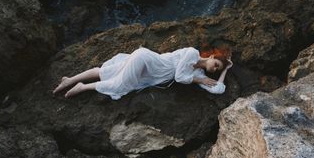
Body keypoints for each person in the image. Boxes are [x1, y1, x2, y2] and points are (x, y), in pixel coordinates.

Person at [52, 45, 233, 99]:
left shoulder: (198, 75)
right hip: (145, 58)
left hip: (148, 73)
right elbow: (179, 77)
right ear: (210, 57)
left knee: (106, 71)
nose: (214, 68)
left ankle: (69, 80)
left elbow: (218, 89)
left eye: (216, 69)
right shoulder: (192, 53)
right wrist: (199, 81)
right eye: (216, 64)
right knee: (119, 84)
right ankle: (82, 86)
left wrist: (226, 70)